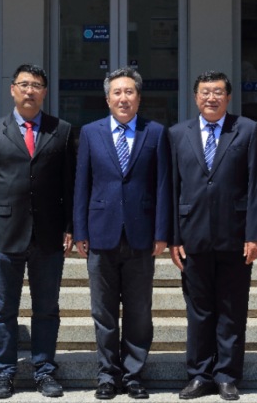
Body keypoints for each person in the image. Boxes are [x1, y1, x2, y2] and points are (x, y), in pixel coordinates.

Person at [0, 64, 76, 399]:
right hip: (5, 233)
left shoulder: (62, 130)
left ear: (45, 91)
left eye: (36, 85)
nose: (30, 91)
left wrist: (70, 227)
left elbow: (69, 185)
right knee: (4, 309)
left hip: (49, 234)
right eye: (24, 84)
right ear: (13, 89)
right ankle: (3, 372)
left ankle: (44, 370)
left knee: (46, 308)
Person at [73, 67, 172, 401]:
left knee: (139, 311)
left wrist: (162, 231)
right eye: (117, 92)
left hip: (141, 235)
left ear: (139, 98)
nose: (123, 98)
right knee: (102, 311)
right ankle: (106, 375)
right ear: (107, 99)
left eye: (129, 92)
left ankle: (133, 375)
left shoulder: (155, 132)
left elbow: (162, 185)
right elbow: (82, 184)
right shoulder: (91, 132)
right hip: (100, 233)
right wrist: (80, 229)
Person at [169, 70, 257, 401]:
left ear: (228, 97)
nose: (211, 98)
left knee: (232, 308)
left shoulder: (247, 129)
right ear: (195, 97)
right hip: (192, 235)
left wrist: (255, 234)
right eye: (205, 92)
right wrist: (173, 237)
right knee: (199, 311)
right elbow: (172, 188)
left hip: (235, 236)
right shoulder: (177, 134)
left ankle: (226, 375)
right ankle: (200, 374)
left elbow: (256, 184)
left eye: (218, 92)